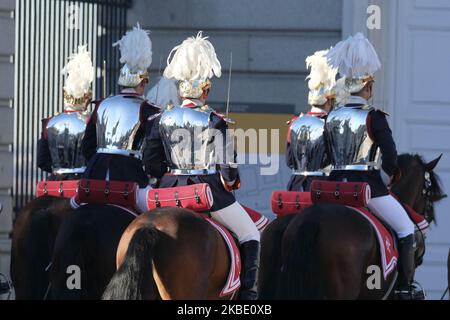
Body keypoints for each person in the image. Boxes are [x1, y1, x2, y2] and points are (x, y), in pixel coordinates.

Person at [146, 31, 260, 300]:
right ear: (205, 90)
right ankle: (248, 294)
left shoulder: (161, 119)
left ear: (181, 88)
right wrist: (231, 182)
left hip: (168, 193)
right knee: (250, 232)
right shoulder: (214, 120)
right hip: (207, 192)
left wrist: (167, 176)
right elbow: (228, 168)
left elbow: (150, 163)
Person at [325, 32, 422, 299]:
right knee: (405, 229)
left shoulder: (331, 116)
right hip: (366, 188)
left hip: (332, 188)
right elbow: (391, 158)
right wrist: (382, 178)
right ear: (367, 87)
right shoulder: (375, 117)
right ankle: (404, 288)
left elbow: (325, 156)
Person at [81, 23, 159, 210]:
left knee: (71, 210)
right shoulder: (148, 109)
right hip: (129, 177)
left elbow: (87, 147)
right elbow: (150, 154)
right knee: (157, 218)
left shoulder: (101, 104)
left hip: (95, 174)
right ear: (142, 82)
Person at [37, 45, 94, 180]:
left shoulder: (49, 122)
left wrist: (58, 169)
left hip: (56, 180)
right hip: (84, 181)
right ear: (86, 98)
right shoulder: (92, 123)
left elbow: (41, 161)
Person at [286, 49, 337, 191]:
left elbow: (289, 161)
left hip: (296, 186)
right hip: (323, 187)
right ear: (328, 102)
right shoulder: (331, 125)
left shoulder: (295, 122)